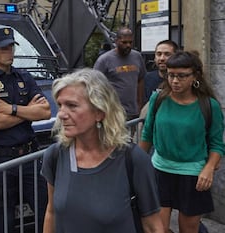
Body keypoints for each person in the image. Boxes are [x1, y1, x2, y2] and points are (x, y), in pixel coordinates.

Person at [41, 68, 163, 233]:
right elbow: (52, 212)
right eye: (60, 105)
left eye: (72, 105)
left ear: (99, 112)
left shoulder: (133, 160)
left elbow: (153, 226)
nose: (61, 114)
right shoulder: (55, 155)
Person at [0, 27, 51, 233]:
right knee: (3, 220)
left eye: (11, 47)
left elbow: (45, 112)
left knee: (45, 213)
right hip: (0, 161)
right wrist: (27, 111)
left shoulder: (24, 77)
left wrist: (11, 109)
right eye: (3, 48)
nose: (9, 52)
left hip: (29, 157)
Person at [139, 51, 224, 233]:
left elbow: (217, 144)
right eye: (171, 75)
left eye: (182, 76)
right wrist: (136, 166)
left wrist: (209, 168)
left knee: (188, 229)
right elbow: (146, 135)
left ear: (195, 76)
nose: (175, 81)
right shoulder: (158, 99)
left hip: (193, 175)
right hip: (160, 171)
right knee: (157, 229)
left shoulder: (209, 106)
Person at [93, 27, 146, 120]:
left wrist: (139, 104)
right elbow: (94, 86)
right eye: (124, 42)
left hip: (133, 112)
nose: (128, 45)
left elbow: (140, 80)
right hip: (113, 113)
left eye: (130, 42)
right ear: (116, 41)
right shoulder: (104, 60)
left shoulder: (137, 56)